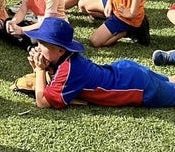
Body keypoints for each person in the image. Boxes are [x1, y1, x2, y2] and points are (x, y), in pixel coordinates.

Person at [22, 18, 175, 109]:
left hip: (137, 86)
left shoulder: (69, 70)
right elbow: (53, 81)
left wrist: (40, 70)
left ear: (61, 51)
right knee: (168, 80)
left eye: (43, 44)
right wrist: (40, 69)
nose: (38, 48)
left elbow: (42, 102)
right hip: (127, 71)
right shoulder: (67, 60)